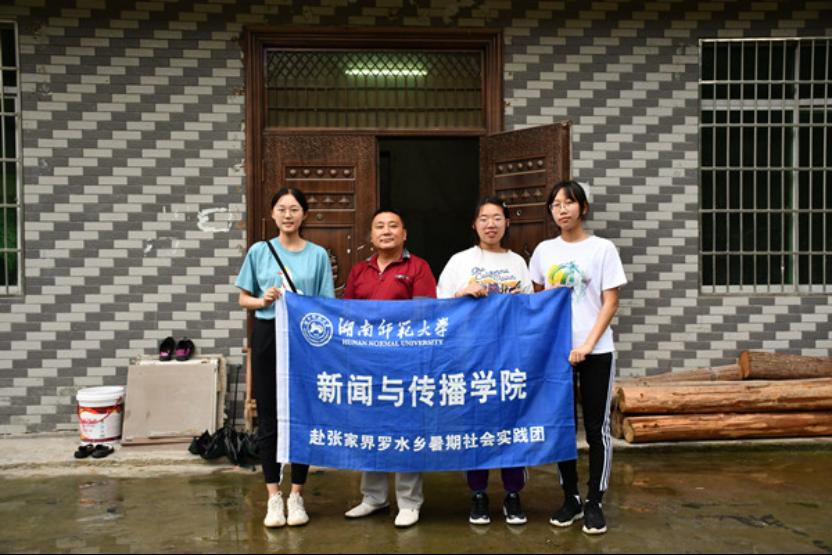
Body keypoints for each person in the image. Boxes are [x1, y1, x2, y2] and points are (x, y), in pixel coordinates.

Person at [529, 180, 627, 535]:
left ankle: (594, 501)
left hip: (595, 350)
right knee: (562, 427)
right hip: (556, 353)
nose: (562, 209)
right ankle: (570, 497)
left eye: (569, 203)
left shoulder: (602, 249)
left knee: (597, 428)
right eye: (556, 204)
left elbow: (610, 302)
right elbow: (537, 300)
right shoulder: (544, 251)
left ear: (582, 208)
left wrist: (586, 344)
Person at [235, 187, 335, 528]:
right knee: (269, 415)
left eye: (294, 209)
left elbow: (326, 304)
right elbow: (243, 299)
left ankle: (297, 495)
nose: (288, 215)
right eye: (282, 208)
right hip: (267, 335)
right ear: (273, 214)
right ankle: (273, 497)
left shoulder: (318, 255)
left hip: (304, 339)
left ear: (304, 214)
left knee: (303, 414)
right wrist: (262, 300)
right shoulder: (259, 251)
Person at [436, 196, 533, 526]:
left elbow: (532, 311)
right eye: (484, 218)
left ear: (507, 223)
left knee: (512, 425)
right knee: (475, 426)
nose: (491, 224)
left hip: (510, 357)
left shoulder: (518, 263)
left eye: (497, 218)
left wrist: (521, 302)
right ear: (474, 224)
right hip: (470, 358)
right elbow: (439, 307)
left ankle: (513, 493)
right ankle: (478, 494)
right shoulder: (459, 262)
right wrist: (461, 293)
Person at [343, 208, 437, 528]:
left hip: (406, 363)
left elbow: (424, 315)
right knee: (371, 429)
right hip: (367, 363)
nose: (386, 231)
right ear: (371, 236)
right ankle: (374, 497)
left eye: (393, 226)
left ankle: (409, 502)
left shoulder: (418, 267)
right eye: (379, 226)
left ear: (404, 234)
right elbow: (348, 314)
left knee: (406, 430)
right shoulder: (360, 271)